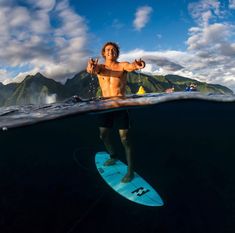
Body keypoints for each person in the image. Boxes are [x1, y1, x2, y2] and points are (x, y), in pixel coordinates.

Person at [86, 42, 145, 182]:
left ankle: (130, 171)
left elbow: (132, 66)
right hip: (105, 105)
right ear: (103, 53)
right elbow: (91, 70)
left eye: (113, 50)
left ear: (117, 53)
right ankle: (113, 156)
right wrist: (90, 67)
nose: (110, 51)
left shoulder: (122, 65)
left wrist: (138, 64)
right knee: (103, 135)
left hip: (120, 105)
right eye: (108, 50)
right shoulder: (100, 67)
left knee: (125, 138)